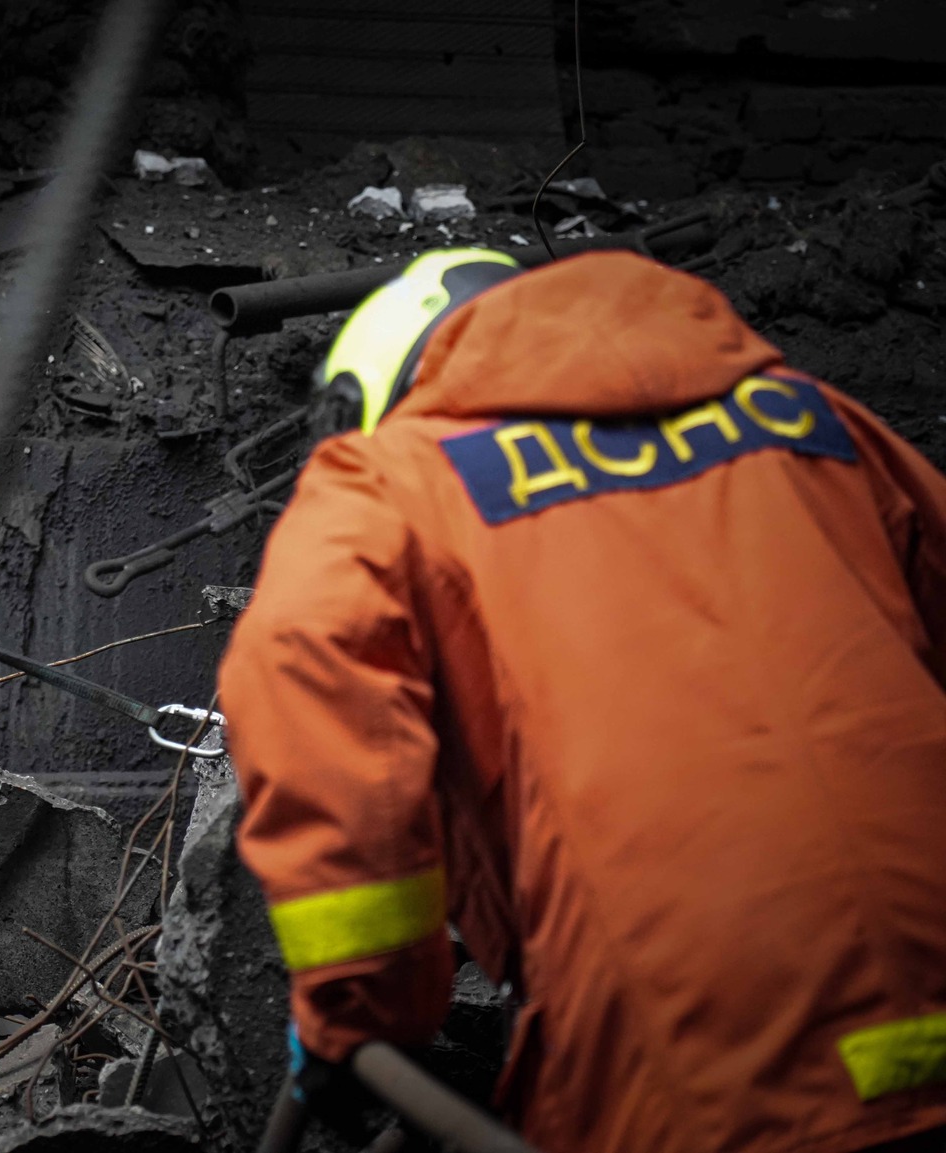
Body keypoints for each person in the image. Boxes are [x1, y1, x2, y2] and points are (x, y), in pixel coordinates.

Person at [218, 247, 946, 1152]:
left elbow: (309, 689)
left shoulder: (388, 481)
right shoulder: (813, 420)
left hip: (707, 1043)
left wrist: (361, 1008)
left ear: (377, 389)